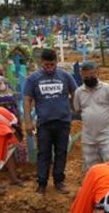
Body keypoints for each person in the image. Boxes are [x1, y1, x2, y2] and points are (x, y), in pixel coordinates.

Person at [23, 48, 78, 194]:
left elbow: (75, 92)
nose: (49, 68)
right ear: (41, 63)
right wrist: (28, 121)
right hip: (44, 123)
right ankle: (42, 183)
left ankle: (59, 181)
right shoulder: (33, 79)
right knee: (43, 153)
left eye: (52, 65)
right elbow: (27, 100)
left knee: (61, 152)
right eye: (46, 65)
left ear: (56, 62)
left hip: (63, 121)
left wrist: (74, 107)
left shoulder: (65, 76)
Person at [73, 62, 109, 171]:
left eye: (92, 75)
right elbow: (77, 109)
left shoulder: (107, 89)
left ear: (97, 73)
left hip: (106, 134)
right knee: (91, 166)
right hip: (88, 136)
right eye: (86, 76)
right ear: (81, 75)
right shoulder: (79, 92)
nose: (89, 78)